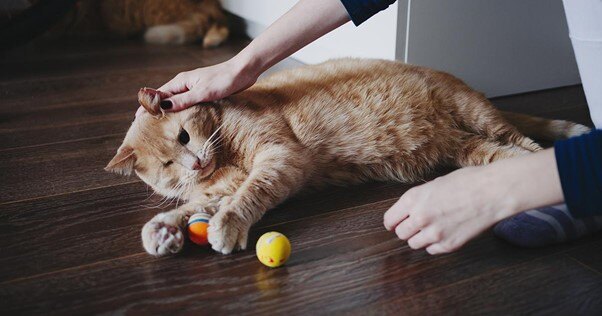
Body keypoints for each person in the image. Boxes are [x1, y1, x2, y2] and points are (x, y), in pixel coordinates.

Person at [151, 0, 602, 254]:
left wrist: (490, 190)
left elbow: (280, 161)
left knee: (487, 130)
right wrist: (243, 63)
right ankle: (562, 167)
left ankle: (560, 175)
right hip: (411, 143)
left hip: (414, 98)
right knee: (467, 147)